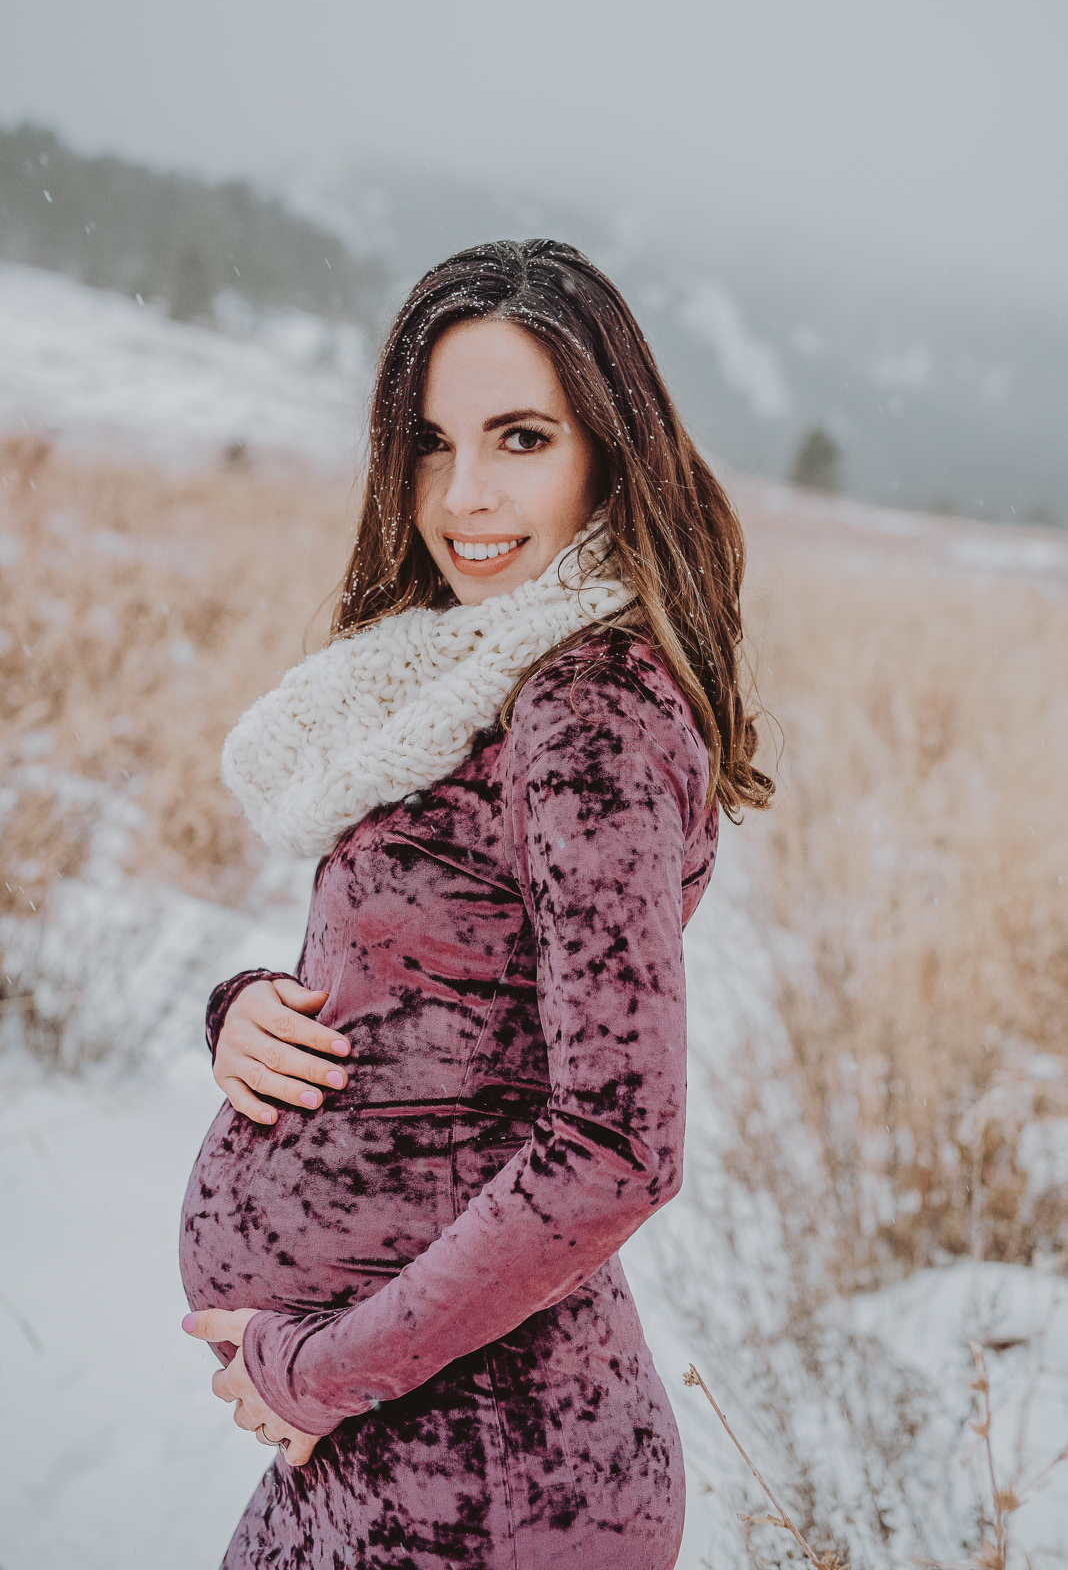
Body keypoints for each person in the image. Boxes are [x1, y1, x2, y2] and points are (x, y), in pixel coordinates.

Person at [179, 238, 772, 1570]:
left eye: (519, 438)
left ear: (609, 450)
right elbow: (434, 986)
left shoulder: (586, 710)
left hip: (493, 1472)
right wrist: (245, 1014)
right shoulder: (471, 680)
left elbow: (621, 1143)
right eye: (434, 444)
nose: (466, 496)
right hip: (414, 1450)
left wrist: (320, 1372)